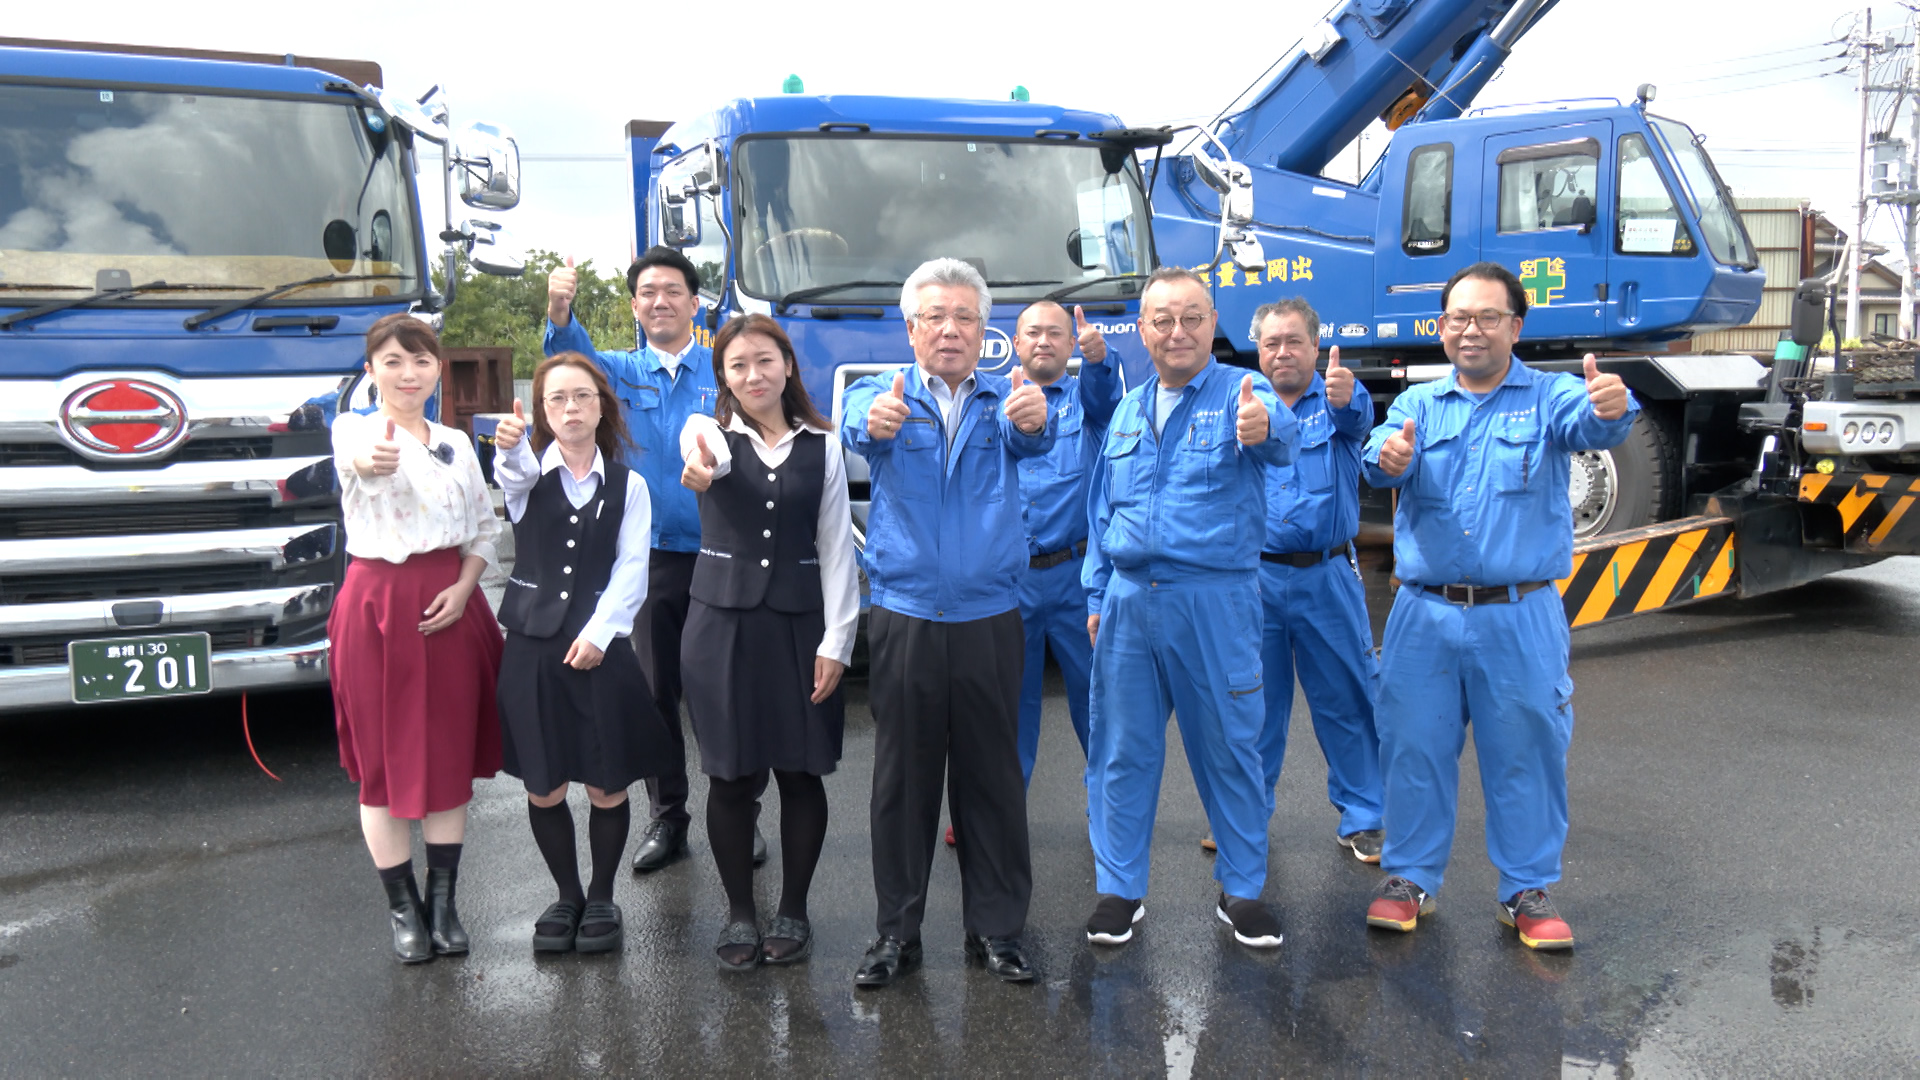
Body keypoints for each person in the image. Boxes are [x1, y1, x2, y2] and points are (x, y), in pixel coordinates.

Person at [1361, 261, 1636, 951]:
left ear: (1515, 327)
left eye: (1488, 317)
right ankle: (1409, 877)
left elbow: (1593, 422)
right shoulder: (1419, 404)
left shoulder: (1549, 397)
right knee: (1413, 746)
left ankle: (1526, 889)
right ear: (1441, 327)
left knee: (1526, 751)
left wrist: (1611, 407)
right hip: (1424, 613)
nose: (1471, 330)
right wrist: (1387, 457)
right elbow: (1376, 453)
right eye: (1459, 318)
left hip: (1520, 613)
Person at [839, 258, 1055, 987]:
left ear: (983, 329)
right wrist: (871, 420)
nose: (951, 330)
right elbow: (858, 423)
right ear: (912, 328)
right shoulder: (883, 393)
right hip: (905, 617)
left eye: (965, 317)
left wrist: (1038, 418)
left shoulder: (1007, 398)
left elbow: (1035, 435)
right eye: (935, 317)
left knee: (992, 779)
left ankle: (997, 930)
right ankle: (895, 935)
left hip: (989, 615)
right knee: (903, 782)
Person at [1082, 267, 1297, 950]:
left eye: (1192, 318)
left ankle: (1243, 890)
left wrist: (1264, 426)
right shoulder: (1127, 408)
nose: (1177, 331)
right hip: (1128, 601)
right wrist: (1097, 592)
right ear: (1143, 329)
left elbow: (1282, 436)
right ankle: (1119, 890)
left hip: (1214, 601)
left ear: (1213, 323)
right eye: (1163, 319)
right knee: (1120, 751)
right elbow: (1102, 510)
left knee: (1231, 747)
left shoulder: (1243, 392)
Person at [547, 247, 764, 872]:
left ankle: (742, 812)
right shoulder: (619, 371)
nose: (660, 301)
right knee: (655, 691)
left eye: (672, 290)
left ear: (695, 303)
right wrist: (560, 313)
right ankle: (669, 816)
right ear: (635, 306)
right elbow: (572, 362)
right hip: (650, 561)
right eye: (648, 292)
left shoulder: (723, 371)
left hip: (723, 554)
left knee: (729, 689)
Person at [676, 314, 858, 971]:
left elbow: (837, 548)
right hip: (720, 629)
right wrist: (703, 463)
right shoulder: (707, 433)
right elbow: (704, 453)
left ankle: (794, 910)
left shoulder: (825, 446)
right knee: (730, 777)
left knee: (801, 773)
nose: (752, 375)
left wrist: (838, 640)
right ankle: (740, 913)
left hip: (800, 627)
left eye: (764, 361)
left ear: (787, 365)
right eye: (737, 366)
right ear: (723, 377)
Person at [327, 313, 503, 964]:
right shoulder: (355, 430)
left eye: (422, 360)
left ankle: (443, 905)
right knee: (381, 768)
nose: (409, 374)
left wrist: (464, 587)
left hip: (451, 605)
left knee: (447, 760)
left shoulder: (456, 442)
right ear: (371, 370)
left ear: (437, 369)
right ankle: (403, 911)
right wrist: (372, 458)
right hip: (377, 608)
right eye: (393, 361)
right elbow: (361, 460)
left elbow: (483, 530)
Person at [489, 353, 676, 955]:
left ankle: (601, 895)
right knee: (543, 785)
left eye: (582, 397)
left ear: (602, 407)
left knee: (606, 783)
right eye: (557, 399)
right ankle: (566, 894)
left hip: (601, 651)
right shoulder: (527, 476)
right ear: (543, 411)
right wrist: (510, 445)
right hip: (533, 651)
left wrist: (600, 634)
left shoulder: (630, 486)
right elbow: (513, 472)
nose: (570, 408)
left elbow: (632, 569)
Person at [1248, 300, 1386, 863]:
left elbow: (1359, 418)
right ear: (1259, 351)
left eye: (1294, 342)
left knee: (1346, 699)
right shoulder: (1243, 404)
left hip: (1326, 576)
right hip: (1253, 579)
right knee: (1251, 704)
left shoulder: (1337, 401)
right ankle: (1244, 815)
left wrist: (1347, 395)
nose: (1282, 352)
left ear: (1315, 347)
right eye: (1271, 343)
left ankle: (1364, 815)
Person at [1009, 301, 1121, 788]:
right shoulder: (997, 401)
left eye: (1055, 333)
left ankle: (1109, 808)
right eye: (1033, 332)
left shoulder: (1088, 404)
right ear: (1016, 343)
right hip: (1011, 581)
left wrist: (1099, 360)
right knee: (1010, 702)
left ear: (1071, 343)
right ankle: (1003, 808)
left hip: (1077, 577)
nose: (1044, 341)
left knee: (1096, 699)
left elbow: (1105, 393)